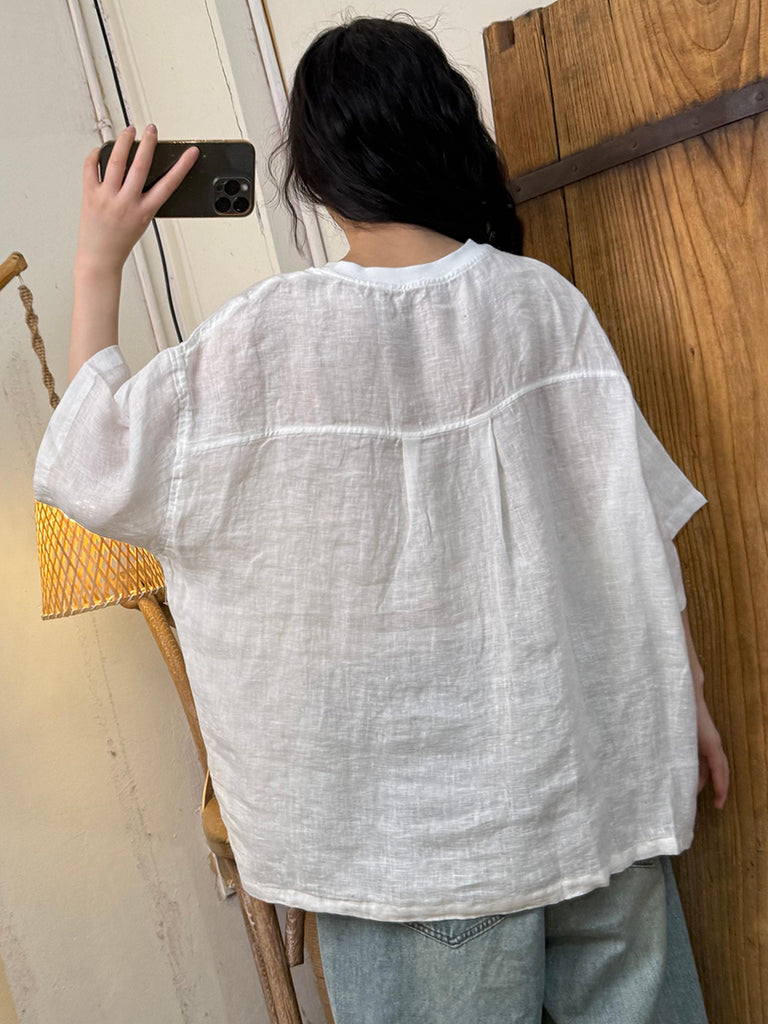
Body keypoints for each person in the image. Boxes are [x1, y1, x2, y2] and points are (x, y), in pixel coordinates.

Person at [33, 12, 729, 1024]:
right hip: (596, 800)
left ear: (315, 173)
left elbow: (91, 463)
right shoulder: (545, 306)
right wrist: (686, 695)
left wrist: (100, 261)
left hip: (410, 855)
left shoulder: (262, 340)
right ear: (446, 134)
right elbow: (635, 526)